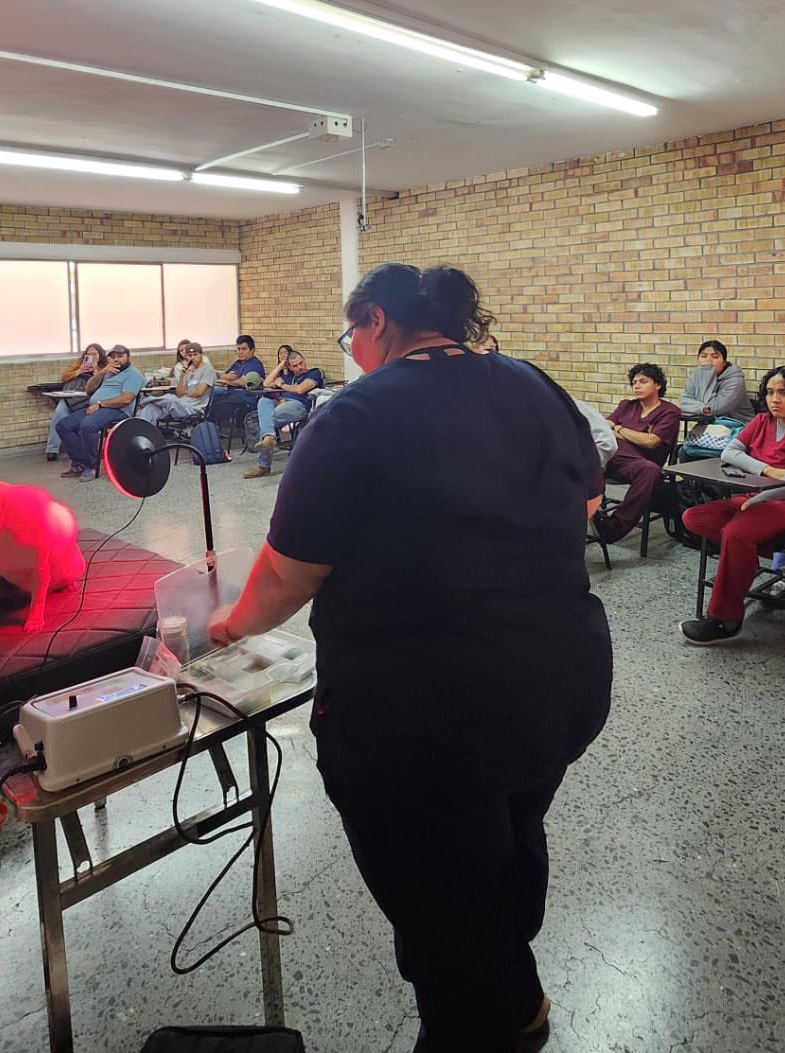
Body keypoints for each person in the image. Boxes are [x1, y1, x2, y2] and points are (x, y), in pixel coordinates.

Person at [207, 263, 610, 1052]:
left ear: (377, 322)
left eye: (349, 334)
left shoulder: (357, 413)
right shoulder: (534, 384)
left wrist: (233, 622)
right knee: (509, 824)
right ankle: (519, 997)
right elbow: (588, 502)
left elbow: (287, 574)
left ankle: (473, 1024)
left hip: (427, 713)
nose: (351, 349)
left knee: (437, 895)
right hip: (558, 681)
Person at [677, 366, 785, 645]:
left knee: (737, 533)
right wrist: (767, 470)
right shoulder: (762, 420)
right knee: (694, 517)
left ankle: (726, 619)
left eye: (784, 392)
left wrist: (756, 500)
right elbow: (729, 452)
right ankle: (746, 557)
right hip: (757, 499)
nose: (775, 399)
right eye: (770, 392)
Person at [593, 363, 682, 544]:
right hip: (611, 455)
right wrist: (630, 434)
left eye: (643, 381)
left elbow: (651, 442)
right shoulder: (626, 405)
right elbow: (604, 428)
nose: (637, 386)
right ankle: (584, 512)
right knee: (584, 454)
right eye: (634, 383)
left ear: (657, 385)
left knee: (651, 471)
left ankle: (613, 528)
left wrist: (619, 429)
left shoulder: (670, 412)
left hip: (638, 463)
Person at [56, 344, 144, 481]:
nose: (116, 359)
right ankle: (79, 463)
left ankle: (91, 467)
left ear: (128, 357)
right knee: (63, 426)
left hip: (117, 410)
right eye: (112, 357)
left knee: (87, 425)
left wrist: (100, 404)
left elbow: (126, 399)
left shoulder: (134, 374)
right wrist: (101, 373)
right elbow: (89, 389)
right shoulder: (108, 372)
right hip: (96, 408)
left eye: (120, 356)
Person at [245, 348, 324, 479]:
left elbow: (300, 390)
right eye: (295, 366)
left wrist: (282, 385)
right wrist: (281, 364)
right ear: (290, 367)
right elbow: (266, 383)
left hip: (299, 405)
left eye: (301, 363)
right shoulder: (288, 377)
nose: (300, 367)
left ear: (305, 360)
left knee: (266, 420)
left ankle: (263, 465)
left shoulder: (314, 373)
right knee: (263, 401)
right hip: (281, 403)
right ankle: (269, 438)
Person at [44, 343, 106, 461]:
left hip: (89, 398)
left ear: (100, 355)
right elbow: (65, 377)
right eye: (89, 354)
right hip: (72, 396)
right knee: (59, 414)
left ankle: (83, 451)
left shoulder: (104, 367)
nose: (91, 357)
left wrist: (96, 370)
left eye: (94, 354)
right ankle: (52, 449)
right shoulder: (80, 363)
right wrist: (79, 371)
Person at [137, 341, 215, 426]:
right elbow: (180, 394)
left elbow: (199, 392)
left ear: (201, 355)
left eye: (195, 355)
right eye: (190, 355)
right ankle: (141, 432)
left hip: (193, 409)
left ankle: (144, 401)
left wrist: (186, 395)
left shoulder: (207, 369)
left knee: (170, 398)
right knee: (150, 408)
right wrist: (182, 377)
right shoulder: (189, 370)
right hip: (180, 405)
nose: (193, 358)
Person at [680, 339, 752, 427]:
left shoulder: (736, 381)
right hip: (710, 426)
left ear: (724, 362)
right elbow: (683, 402)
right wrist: (702, 408)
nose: (708, 361)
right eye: (703, 356)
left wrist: (707, 373)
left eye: (715, 357)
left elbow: (714, 408)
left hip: (738, 426)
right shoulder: (697, 375)